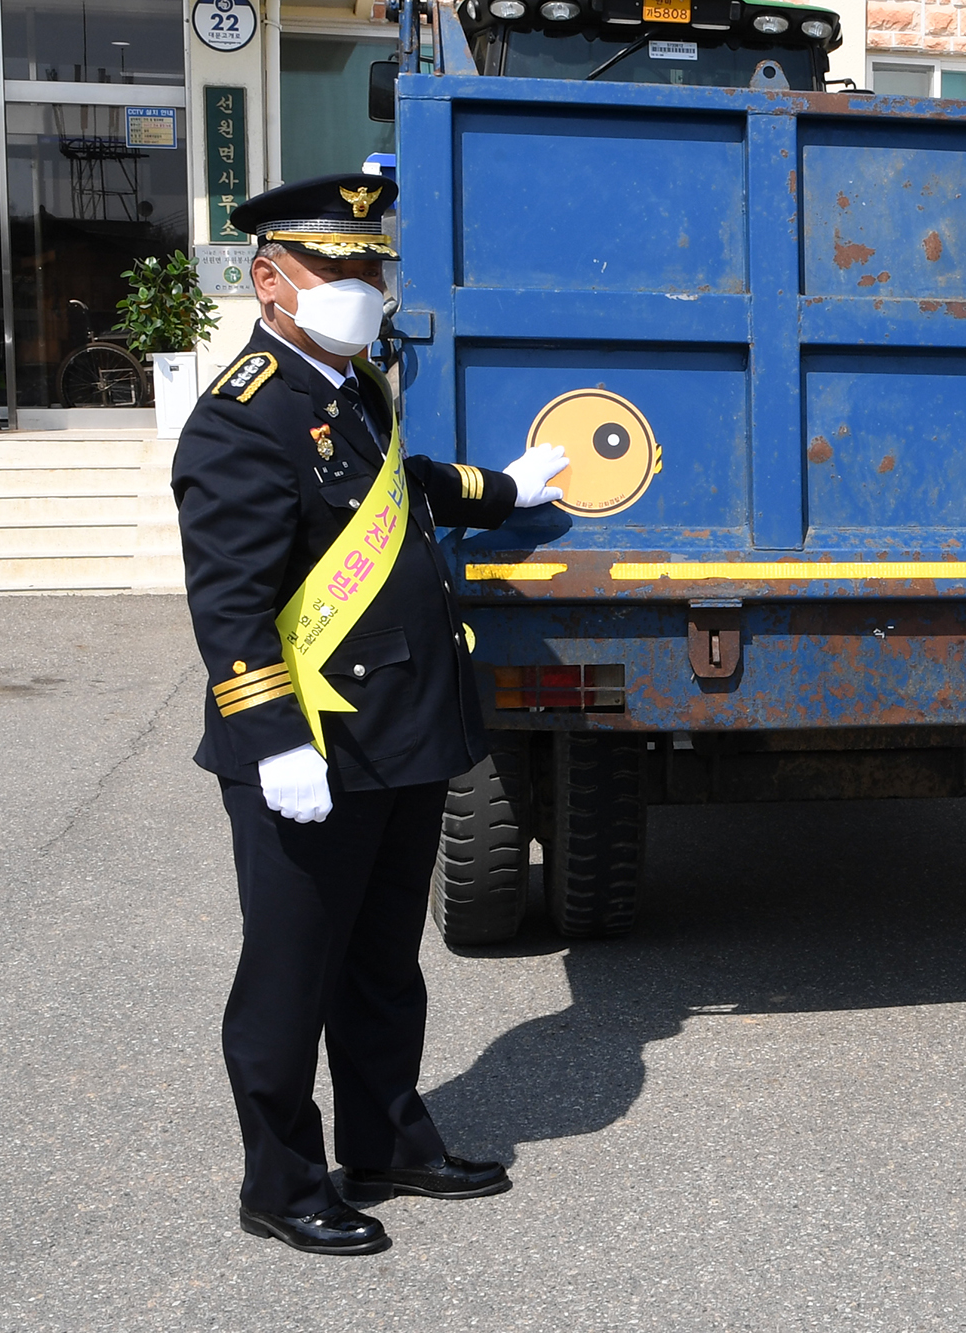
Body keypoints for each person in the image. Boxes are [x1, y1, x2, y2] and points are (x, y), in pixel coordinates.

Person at [172, 173, 569, 1254]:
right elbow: (230, 606)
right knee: (290, 975)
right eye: (334, 265)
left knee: (383, 964)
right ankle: (281, 1181)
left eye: (369, 265)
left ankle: (387, 1141)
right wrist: (273, 742)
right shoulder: (242, 417)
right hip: (312, 750)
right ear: (270, 280)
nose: (360, 284)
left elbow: (400, 485)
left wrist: (503, 490)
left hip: (397, 734)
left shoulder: (349, 387)